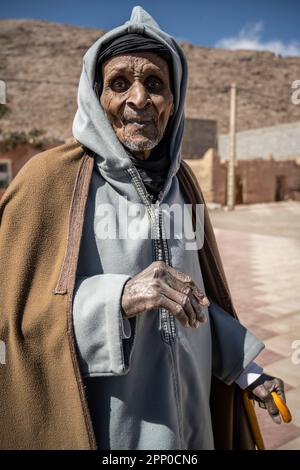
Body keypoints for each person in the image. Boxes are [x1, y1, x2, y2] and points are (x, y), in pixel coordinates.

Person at [0, 6, 286, 450]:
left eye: (155, 84)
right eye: (120, 83)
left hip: (192, 429)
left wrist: (250, 374)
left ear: (174, 100)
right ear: (97, 97)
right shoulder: (46, 182)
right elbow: (15, 321)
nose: (139, 99)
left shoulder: (183, 184)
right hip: (110, 430)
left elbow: (198, 309)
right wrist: (119, 297)